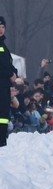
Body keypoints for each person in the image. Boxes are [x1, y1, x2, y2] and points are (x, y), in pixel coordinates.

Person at [0, 16, 18, 146]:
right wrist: (10, 74)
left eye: (2, 27)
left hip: (4, 85)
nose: (0, 30)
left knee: (4, 115)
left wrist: (14, 73)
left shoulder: (4, 46)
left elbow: (9, 64)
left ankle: (2, 140)